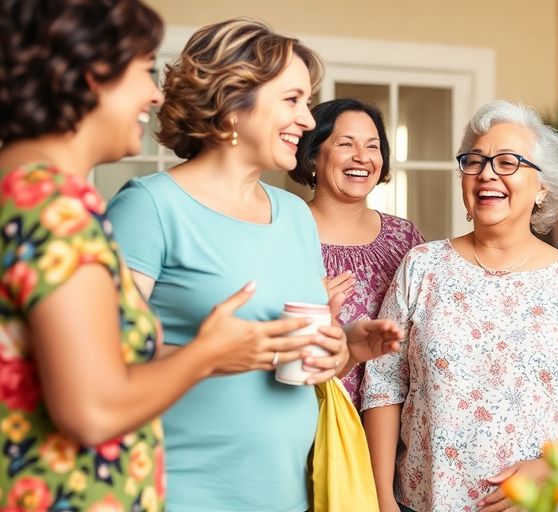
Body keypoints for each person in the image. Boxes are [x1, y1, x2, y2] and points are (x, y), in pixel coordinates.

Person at [0, 3, 322, 510]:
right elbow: (92, 409)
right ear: (91, 76)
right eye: (143, 69)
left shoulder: (37, 194)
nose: (155, 93)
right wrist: (208, 354)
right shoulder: (52, 204)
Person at [105, 19, 401, 512]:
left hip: (290, 496)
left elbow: (294, 363)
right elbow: (98, 370)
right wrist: (207, 354)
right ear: (231, 101)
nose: (306, 120)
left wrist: (343, 350)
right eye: (292, 100)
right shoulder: (149, 207)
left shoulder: (293, 216)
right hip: (181, 495)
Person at [362, 100, 558, 512]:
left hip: (542, 502)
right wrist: (382, 498)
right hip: (427, 502)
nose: (487, 174)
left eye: (508, 162)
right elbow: (384, 384)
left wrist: (550, 466)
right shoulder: (423, 266)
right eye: (475, 162)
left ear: (543, 187)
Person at [289, 98, 424, 409]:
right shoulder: (285, 232)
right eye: (346, 144)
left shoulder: (404, 238)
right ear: (312, 156)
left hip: (391, 421)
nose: (362, 157)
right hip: (310, 416)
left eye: (372, 146)